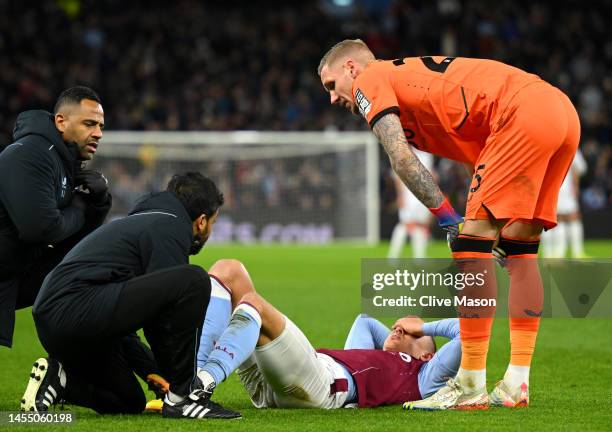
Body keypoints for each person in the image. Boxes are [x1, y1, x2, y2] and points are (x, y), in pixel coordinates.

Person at [318, 39, 580, 409]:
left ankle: (470, 384)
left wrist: (449, 221)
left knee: (470, 246)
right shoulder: (414, 86)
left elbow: (400, 158)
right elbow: (478, 149)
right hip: (560, 113)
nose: (333, 98)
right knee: (521, 249)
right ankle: (516, 382)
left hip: (520, 111)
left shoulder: (370, 78)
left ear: (350, 68)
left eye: (331, 86)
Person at [21, 172, 240, 420]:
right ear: (201, 221)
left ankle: (60, 380)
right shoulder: (170, 226)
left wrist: (153, 370)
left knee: (129, 400)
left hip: (62, 319)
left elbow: (126, 315)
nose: (209, 229)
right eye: (213, 222)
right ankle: (184, 400)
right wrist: (181, 385)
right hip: (74, 309)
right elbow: (162, 319)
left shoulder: (144, 222)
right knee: (194, 281)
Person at [149, 259, 462, 410]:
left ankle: (197, 386)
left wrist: (424, 327)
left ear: (427, 354)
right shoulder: (373, 356)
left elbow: (465, 333)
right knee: (229, 271)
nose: (398, 326)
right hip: (280, 383)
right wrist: (397, 337)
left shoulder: (423, 375)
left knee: (253, 304)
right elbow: (365, 319)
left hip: (320, 386)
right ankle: (193, 380)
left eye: (410, 335)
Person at [0, 86, 112, 348]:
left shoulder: (61, 161)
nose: (98, 133)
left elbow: (77, 236)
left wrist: (99, 204)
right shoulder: (30, 154)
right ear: (61, 121)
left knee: (94, 270)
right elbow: (42, 229)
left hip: (11, 273)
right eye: (89, 123)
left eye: (100, 126)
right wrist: (81, 207)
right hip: (10, 270)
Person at [387, 148, 434, 259]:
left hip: (423, 193)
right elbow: (398, 176)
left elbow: (430, 174)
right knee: (405, 223)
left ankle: (419, 257)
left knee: (420, 224)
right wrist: (400, 195)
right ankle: (393, 256)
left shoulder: (426, 155)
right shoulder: (403, 153)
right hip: (408, 193)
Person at [541, 150, 588, 258]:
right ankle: (572, 253)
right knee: (569, 218)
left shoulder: (546, 142)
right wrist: (576, 186)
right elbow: (579, 167)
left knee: (550, 219)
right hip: (564, 188)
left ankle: (551, 254)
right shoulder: (570, 142)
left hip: (548, 187)